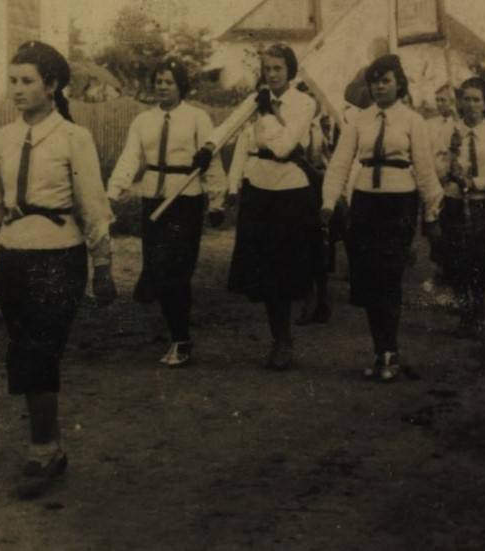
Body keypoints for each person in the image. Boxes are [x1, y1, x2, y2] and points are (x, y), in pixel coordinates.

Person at [0, 40, 116, 499]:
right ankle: (51, 445)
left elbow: (93, 205)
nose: (17, 89)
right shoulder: (3, 140)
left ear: (51, 86)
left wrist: (103, 264)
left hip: (59, 257)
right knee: (24, 351)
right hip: (14, 256)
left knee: (40, 351)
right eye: (12, 81)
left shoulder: (73, 138)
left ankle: (42, 449)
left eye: (27, 81)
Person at [321, 54, 442, 381]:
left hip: (399, 204)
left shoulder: (412, 121)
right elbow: (340, 164)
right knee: (369, 279)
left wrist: (432, 211)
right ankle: (380, 352)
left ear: (399, 84)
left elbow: (425, 170)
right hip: (365, 204)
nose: (379, 87)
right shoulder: (359, 121)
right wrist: (329, 201)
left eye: (385, 80)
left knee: (389, 276)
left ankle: (390, 352)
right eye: (374, 81)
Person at [106, 58, 226, 367]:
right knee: (158, 268)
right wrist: (113, 192)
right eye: (158, 81)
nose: (162, 86)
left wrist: (217, 200)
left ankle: (180, 339)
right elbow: (130, 157)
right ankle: (172, 326)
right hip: (153, 199)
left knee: (178, 272)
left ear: (181, 85)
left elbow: (211, 160)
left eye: (169, 82)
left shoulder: (197, 118)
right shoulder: (143, 121)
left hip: (185, 199)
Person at [210, 44, 321, 369]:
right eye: (267, 69)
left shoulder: (304, 103)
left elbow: (285, 146)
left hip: (291, 190)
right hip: (259, 189)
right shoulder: (255, 99)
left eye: (278, 68)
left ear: (290, 70)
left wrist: (268, 114)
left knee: (288, 269)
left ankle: (302, 315)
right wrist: (209, 147)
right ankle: (280, 339)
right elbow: (232, 130)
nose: (271, 75)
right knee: (266, 273)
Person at [438, 77, 485, 335]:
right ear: (459, 102)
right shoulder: (448, 132)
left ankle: (478, 309)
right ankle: (464, 310)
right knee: (454, 258)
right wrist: (449, 163)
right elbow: (433, 167)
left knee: (479, 257)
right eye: (466, 99)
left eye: (476, 100)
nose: (471, 105)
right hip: (454, 202)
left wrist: (474, 182)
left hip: (483, 204)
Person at [424, 83, 456, 287]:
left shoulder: (459, 124)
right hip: (433, 180)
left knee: (450, 227)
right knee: (432, 226)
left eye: (443, 100)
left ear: (453, 101)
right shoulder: (429, 124)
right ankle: (438, 268)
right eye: (437, 100)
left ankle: (449, 270)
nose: (440, 104)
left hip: (452, 182)